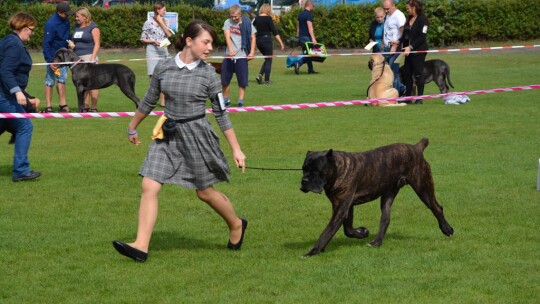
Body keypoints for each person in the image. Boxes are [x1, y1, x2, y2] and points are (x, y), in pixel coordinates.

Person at [112, 20, 247, 262]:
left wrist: (237, 149)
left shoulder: (208, 74)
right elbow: (149, 100)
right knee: (149, 185)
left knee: (204, 192)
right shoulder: (164, 68)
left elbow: (220, 113)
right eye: (205, 42)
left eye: (212, 44)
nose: (209, 48)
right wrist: (132, 127)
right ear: (188, 40)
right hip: (167, 134)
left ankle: (236, 224)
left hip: (197, 136)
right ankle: (141, 246)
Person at [0, 12, 41, 182]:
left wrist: (25, 96)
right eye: (31, 29)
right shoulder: (13, 44)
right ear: (24, 28)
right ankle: (21, 170)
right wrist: (17, 91)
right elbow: (5, 71)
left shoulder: (11, 41)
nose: (32, 33)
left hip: (6, 93)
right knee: (24, 126)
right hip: (3, 95)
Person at [221, 4, 256, 107]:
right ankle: (226, 100)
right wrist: (231, 50)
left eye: (235, 16)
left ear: (240, 14)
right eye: (231, 16)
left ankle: (240, 101)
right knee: (225, 79)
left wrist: (252, 52)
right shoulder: (227, 22)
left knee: (242, 80)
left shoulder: (247, 23)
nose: (233, 18)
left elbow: (253, 37)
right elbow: (227, 36)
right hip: (229, 55)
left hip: (242, 55)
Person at [42, 2, 73, 113]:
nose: (68, 16)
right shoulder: (51, 23)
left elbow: (67, 36)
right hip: (53, 58)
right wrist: (50, 61)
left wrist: (70, 42)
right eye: (66, 14)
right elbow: (47, 43)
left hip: (63, 57)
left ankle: (62, 104)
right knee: (50, 81)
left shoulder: (66, 21)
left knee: (61, 79)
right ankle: (49, 106)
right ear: (59, 13)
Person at [140, 1, 173, 107]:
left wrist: (161, 22)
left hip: (163, 49)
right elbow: (143, 38)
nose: (165, 11)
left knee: (164, 76)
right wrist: (153, 41)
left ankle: (163, 102)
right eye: (164, 10)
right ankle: (151, 101)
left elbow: (169, 35)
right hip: (152, 50)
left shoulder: (166, 21)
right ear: (157, 10)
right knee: (153, 77)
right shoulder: (148, 22)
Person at [70, 7, 100, 112]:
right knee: (82, 84)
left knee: (93, 83)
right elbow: (75, 40)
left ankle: (94, 107)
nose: (76, 18)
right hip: (78, 59)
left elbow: (97, 44)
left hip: (89, 57)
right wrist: (72, 45)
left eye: (78, 16)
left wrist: (92, 58)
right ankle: (85, 107)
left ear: (84, 17)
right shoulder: (77, 27)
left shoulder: (93, 27)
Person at [401, 0, 429, 105]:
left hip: (419, 51)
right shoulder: (408, 20)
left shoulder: (423, 20)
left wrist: (411, 47)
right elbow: (405, 35)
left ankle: (419, 98)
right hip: (408, 52)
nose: (407, 10)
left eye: (408, 8)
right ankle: (408, 97)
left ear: (414, 7)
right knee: (407, 73)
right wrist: (403, 46)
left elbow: (422, 37)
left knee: (418, 74)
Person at [253, 3, 285, 85]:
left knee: (267, 59)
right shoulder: (268, 19)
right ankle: (267, 80)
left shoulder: (256, 18)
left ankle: (260, 76)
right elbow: (275, 31)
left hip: (258, 41)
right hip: (267, 40)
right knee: (269, 60)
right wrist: (281, 42)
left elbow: (251, 28)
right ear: (268, 10)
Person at [382, 0, 406, 95]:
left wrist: (396, 44)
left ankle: (396, 94)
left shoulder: (399, 15)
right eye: (384, 9)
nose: (386, 11)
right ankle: (402, 89)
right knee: (387, 72)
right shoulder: (388, 16)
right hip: (387, 48)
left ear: (393, 6)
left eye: (387, 9)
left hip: (396, 48)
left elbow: (403, 31)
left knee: (393, 72)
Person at [294, 0, 318, 75]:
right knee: (309, 54)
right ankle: (298, 63)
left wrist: (298, 36)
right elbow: (310, 28)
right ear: (309, 5)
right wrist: (313, 38)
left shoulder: (300, 15)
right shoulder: (308, 15)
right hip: (307, 38)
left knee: (308, 53)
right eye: (313, 5)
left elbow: (297, 27)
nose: (313, 6)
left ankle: (310, 70)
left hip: (301, 37)